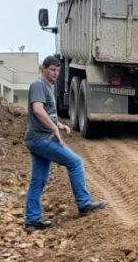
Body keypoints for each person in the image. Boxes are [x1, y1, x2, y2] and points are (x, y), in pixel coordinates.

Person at [24, 56, 106, 229]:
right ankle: (84, 204)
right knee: (75, 162)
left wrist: (58, 125)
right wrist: (54, 130)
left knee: (38, 180)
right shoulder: (38, 85)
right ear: (44, 69)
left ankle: (32, 221)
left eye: (58, 70)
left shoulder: (49, 86)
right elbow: (38, 110)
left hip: (38, 138)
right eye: (52, 70)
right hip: (40, 139)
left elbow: (48, 113)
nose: (55, 73)